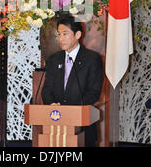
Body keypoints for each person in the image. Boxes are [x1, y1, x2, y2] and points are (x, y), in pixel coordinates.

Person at [41, 14, 104, 146]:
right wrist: (52, 104)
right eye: (59, 34)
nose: (61, 39)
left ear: (78, 35)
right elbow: (46, 91)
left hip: (83, 128)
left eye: (65, 34)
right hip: (56, 126)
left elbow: (93, 93)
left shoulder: (92, 59)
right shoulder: (54, 60)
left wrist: (67, 109)